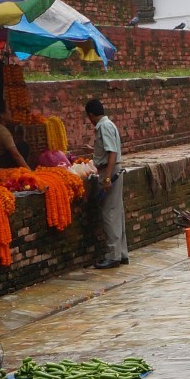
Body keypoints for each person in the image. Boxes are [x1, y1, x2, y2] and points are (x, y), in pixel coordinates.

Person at [84, 96, 128, 266]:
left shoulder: (103, 126)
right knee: (117, 212)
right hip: (111, 169)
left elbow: (112, 153)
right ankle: (121, 253)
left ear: (91, 115)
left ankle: (113, 255)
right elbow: (108, 150)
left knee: (109, 213)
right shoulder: (108, 125)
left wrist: (108, 177)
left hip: (110, 172)